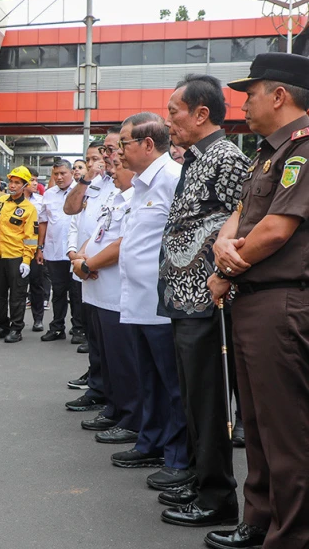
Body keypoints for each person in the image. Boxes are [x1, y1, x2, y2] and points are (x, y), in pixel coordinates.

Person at [207, 52, 309, 549]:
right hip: (253, 299)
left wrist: (226, 267)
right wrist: (221, 245)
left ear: (279, 95)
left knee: (287, 431)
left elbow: (275, 230)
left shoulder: (303, 150)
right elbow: (243, 213)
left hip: (281, 302)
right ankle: (261, 519)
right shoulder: (267, 153)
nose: (243, 104)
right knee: (258, 424)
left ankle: (291, 536)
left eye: (250, 94)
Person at [157, 74, 249, 527]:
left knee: (209, 398)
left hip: (208, 297)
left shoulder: (227, 158)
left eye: (173, 112)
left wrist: (222, 278)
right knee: (194, 396)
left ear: (201, 113)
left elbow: (243, 224)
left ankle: (217, 497)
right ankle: (199, 477)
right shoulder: (197, 158)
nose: (168, 121)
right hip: (184, 296)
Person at [109, 113, 189, 488]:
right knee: (150, 382)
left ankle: (178, 456)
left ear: (147, 144)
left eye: (124, 143)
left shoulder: (172, 178)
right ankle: (151, 442)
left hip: (163, 304)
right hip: (139, 300)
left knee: (173, 385)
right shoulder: (141, 184)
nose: (119, 151)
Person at [72, 154, 140, 444]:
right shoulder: (116, 197)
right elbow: (99, 233)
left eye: (118, 166)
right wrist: (81, 255)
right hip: (97, 293)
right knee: (108, 360)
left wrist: (88, 265)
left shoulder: (136, 198)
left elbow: (122, 244)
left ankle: (131, 418)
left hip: (115, 293)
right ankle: (114, 409)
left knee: (123, 362)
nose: (112, 171)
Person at [65, 139, 118, 413]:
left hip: (106, 271)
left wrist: (89, 260)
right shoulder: (93, 183)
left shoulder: (124, 184)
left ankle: (113, 397)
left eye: (101, 155)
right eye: (92, 158)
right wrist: (86, 178)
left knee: (113, 344)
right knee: (95, 337)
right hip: (87, 268)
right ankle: (97, 387)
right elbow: (71, 210)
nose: (99, 160)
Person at [0, 166, 38, 343]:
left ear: (24, 185)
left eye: (17, 183)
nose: (12, 185)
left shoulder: (29, 209)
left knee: (17, 295)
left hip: (16, 257)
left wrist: (26, 260)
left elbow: (31, 238)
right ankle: (2, 326)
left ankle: (16, 328)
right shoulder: (1, 201)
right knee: (0, 294)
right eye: (11, 182)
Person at [36, 159, 83, 344]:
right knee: (58, 291)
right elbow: (43, 222)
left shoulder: (81, 190)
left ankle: (78, 328)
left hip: (75, 250)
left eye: (63, 173)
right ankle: (57, 327)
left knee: (77, 292)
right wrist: (40, 248)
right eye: (56, 174)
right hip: (54, 251)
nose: (59, 177)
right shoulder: (48, 194)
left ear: (71, 173)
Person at [25, 168, 50, 332]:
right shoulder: (8, 201)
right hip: (15, 249)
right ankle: (15, 323)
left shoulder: (41, 201)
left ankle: (38, 319)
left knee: (36, 284)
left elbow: (43, 225)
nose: (35, 183)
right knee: (17, 287)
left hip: (34, 249)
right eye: (31, 180)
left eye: (36, 180)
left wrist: (40, 248)